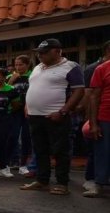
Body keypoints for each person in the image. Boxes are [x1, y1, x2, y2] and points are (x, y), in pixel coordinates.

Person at [21, 38, 85, 195]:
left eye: (44, 52)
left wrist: (64, 111)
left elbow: (79, 91)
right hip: (35, 116)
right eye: (39, 53)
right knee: (40, 149)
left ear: (57, 51)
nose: (40, 56)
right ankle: (42, 181)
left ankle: (62, 183)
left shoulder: (70, 67)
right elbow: (33, 88)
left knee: (60, 151)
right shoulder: (37, 68)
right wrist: (27, 106)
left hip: (56, 116)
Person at [84, 39, 110, 197]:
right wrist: (93, 123)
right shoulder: (102, 68)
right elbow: (94, 97)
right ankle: (98, 184)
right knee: (102, 151)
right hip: (105, 116)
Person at [6, 55, 34, 175]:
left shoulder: (33, 76)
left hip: (29, 110)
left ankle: (24, 164)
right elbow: (5, 90)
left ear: (27, 65)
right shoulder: (10, 77)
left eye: (21, 64)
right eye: (16, 65)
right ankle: (13, 161)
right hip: (14, 110)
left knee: (26, 137)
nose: (18, 67)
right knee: (12, 135)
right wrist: (12, 80)